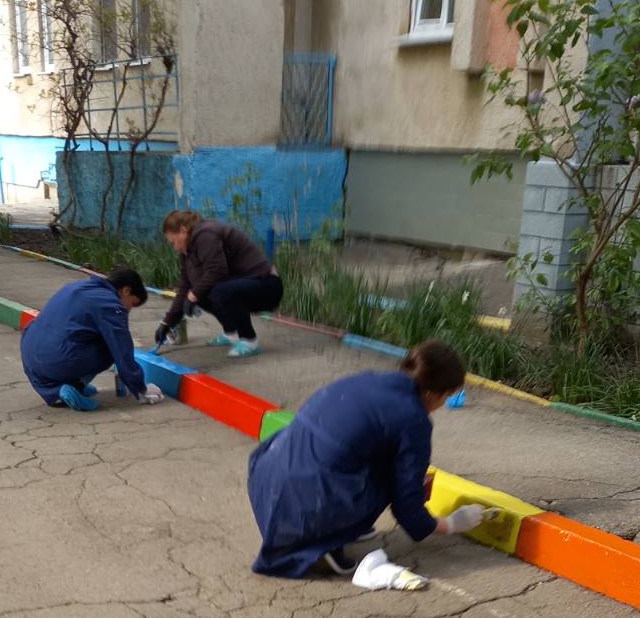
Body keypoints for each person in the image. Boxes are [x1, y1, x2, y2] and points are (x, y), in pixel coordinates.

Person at [247, 340, 488, 578]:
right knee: (393, 475)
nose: (443, 404)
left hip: (267, 483)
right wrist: (450, 524)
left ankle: (339, 527)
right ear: (432, 393)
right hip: (307, 505)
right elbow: (407, 504)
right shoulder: (414, 419)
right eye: (447, 397)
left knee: (366, 457)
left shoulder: (369, 379)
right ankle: (324, 540)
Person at [20, 266, 163, 411]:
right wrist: (141, 389)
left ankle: (57, 391)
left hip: (29, 352)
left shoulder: (76, 286)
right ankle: (77, 385)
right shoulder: (111, 304)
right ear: (126, 290)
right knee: (111, 347)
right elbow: (122, 350)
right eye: (132, 303)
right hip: (59, 357)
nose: (128, 310)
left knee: (55, 357)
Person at [156, 209, 283, 360]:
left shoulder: (205, 234)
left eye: (173, 242)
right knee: (200, 291)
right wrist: (167, 323)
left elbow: (217, 270)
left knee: (215, 291)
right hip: (244, 285)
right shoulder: (186, 252)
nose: (175, 247)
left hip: (267, 285)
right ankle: (231, 333)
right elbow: (185, 288)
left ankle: (249, 341)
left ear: (183, 231)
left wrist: (193, 295)